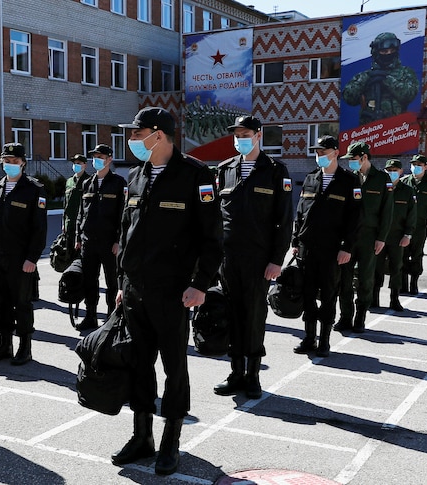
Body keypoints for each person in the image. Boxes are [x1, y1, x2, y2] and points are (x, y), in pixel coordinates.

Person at [112, 107, 222, 476]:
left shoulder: (195, 175)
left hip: (174, 292)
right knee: (138, 364)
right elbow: (125, 232)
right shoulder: (135, 176)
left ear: (157, 135)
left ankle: (170, 441)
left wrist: (200, 284)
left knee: (175, 369)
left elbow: (212, 238)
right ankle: (141, 435)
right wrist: (119, 284)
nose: (131, 140)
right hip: (134, 289)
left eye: (136, 133)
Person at [212, 115, 293, 400]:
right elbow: (214, 217)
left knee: (255, 316)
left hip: (259, 260)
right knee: (232, 315)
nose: (239, 138)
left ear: (258, 135)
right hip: (228, 258)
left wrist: (276, 259)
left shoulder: (274, 171)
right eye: (236, 134)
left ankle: (253, 375)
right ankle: (235, 372)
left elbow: (284, 220)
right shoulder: (225, 170)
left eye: (245, 133)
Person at [291, 135, 360, 358]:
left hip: (332, 250)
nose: (319, 156)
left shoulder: (349, 181)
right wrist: (295, 241)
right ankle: (309, 338)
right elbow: (300, 214)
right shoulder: (311, 179)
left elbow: (355, 218)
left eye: (324, 152)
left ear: (335, 153)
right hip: (307, 248)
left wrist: (347, 247)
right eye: (317, 152)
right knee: (308, 294)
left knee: (329, 295)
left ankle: (325, 341)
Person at [0, 143, 47, 366]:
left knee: (22, 303)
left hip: (20, 259)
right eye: (6, 161)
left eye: (14, 161)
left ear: (23, 163)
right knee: (2, 303)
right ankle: (5, 345)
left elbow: (39, 228)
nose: (10, 165)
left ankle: (24, 347)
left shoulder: (34, 189)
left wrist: (32, 258)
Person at [335, 142, 393, 333]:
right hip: (349, 236)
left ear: (364, 157)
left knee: (365, 279)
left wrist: (382, 237)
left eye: (353, 159)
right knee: (344, 278)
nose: (350, 163)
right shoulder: (348, 178)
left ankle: (360, 318)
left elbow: (387, 211)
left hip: (369, 237)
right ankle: (345, 317)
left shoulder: (382, 179)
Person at [73, 144, 126, 331]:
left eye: (100, 156)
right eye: (94, 157)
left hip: (109, 242)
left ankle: (113, 316)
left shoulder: (119, 183)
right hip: (88, 241)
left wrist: (118, 240)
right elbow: (81, 212)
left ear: (109, 159)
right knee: (89, 280)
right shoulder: (87, 183)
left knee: (112, 281)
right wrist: (78, 237)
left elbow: (123, 214)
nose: (97, 160)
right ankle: (91, 315)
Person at [342, 32, 420, 125]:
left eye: (392, 51)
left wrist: (387, 79)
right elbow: (348, 97)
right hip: (370, 131)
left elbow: (409, 94)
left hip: (396, 129)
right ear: (376, 52)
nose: (389, 54)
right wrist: (366, 80)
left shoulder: (405, 73)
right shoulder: (365, 75)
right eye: (384, 51)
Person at [373, 159, 416, 311]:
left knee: (396, 268)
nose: (391, 173)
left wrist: (408, 235)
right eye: (388, 170)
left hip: (397, 237)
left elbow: (412, 215)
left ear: (401, 172)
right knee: (376, 268)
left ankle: (394, 299)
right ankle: (374, 298)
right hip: (379, 237)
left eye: (394, 170)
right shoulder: (380, 188)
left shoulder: (407, 191)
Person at [401, 154, 427, 295]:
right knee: (402, 255)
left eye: (419, 165)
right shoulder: (404, 182)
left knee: (417, 254)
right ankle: (403, 284)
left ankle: (414, 283)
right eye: (414, 164)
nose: (416, 167)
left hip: (419, 226)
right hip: (402, 225)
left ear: (426, 167)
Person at [62, 154, 89, 248]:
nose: (76, 165)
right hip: (69, 223)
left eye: (79, 163)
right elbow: (65, 204)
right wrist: (64, 223)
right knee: (68, 252)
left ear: (85, 165)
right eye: (74, 163)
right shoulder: (69, 181)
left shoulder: (89, 181)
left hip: (82, 224)